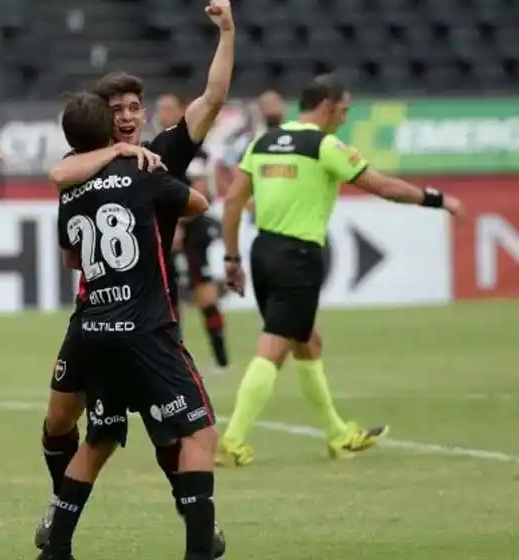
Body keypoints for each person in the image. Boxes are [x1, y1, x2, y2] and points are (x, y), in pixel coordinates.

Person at [35, 1, 234, 553]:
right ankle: (66, 514)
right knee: (63, 425)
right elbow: (60, 174)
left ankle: (191, 524)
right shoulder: (113, 166)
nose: (127, 115)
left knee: (153, 433)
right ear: (103, 117)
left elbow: (213, 97)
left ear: (144, 112)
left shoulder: (162, 152)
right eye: (116, 108)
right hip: (114, 318)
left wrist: (226, 33)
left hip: (131, 313)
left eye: (133, 107)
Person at [217, 74, 464, 467]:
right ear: (328, 105)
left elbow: (232, 201)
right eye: (344, 110)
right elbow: (382, 187)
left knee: (306, 341)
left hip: (262, 250)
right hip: (297, 255)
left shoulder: (263, 143)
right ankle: (232, 440)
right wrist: (436, 200)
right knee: (275, 344)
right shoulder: (323, 146)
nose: (345, 119)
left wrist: (231, 259)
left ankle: (337, 435)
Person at [156, 92, 229, 375]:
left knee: (204, 293)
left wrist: (181, 226)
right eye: (161, 109)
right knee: (169, 297)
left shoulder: (193, 148)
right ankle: (177, 361)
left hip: (192, 229)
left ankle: (222, 360)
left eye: (169, 108)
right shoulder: (157, 147)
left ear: (181, 111)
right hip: (165, 229)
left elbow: (201, 189)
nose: (164, 114)